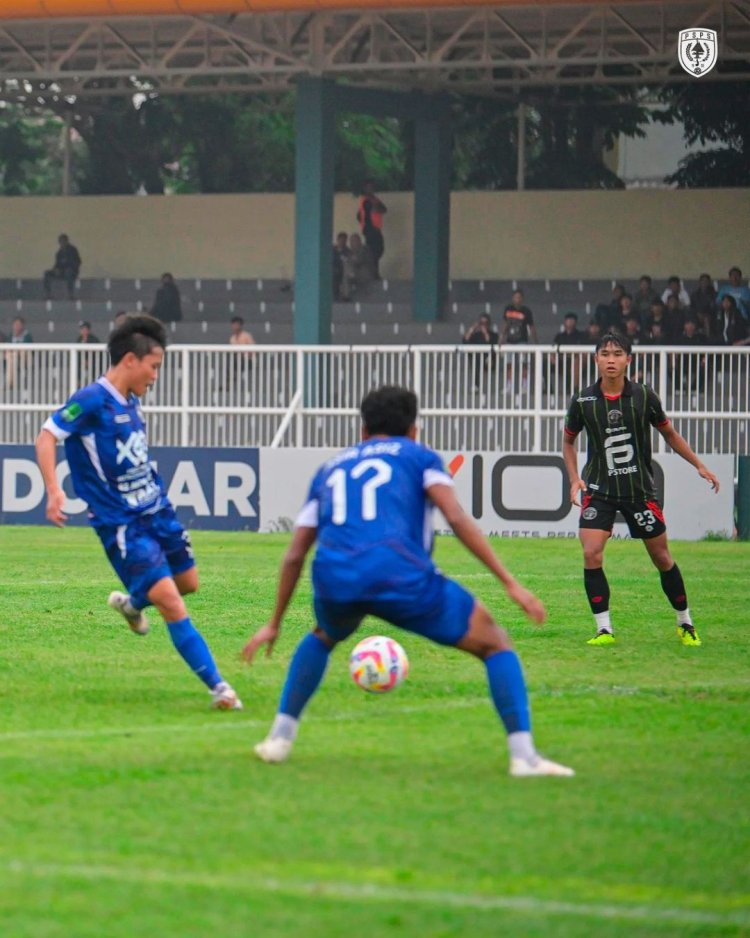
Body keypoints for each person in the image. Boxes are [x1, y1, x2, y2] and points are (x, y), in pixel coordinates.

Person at [242, 385, 573, 777]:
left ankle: (279, 739)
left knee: (323, 636)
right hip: (400, 576)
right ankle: (525, 757)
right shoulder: (419, 457)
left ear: (363, 430)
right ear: (414, 429)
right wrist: (509, 583)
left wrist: (274, 623)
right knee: (495, 643)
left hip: (337, 579)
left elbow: (296, 553)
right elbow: (455, 516)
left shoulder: (330, 468)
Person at [35, 314, 242, 710]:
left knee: (188, 584)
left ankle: (131, 605)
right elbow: (47, 436)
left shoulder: (131, 401)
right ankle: (220, 688)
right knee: (171, 602)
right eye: (154, 366)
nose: (156, 375)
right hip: (121, 523)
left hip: (157, 509)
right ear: (130, 359)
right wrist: (54, 489)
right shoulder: (91, 400)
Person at [562, 332, 720, 647]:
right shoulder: (583, 400)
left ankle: (685, 622)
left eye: (617, 354)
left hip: (639, 492)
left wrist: (698, 464)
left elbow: (670, 434)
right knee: (591, 553)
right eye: (605, 353)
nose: (611, 359)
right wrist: (573, 478)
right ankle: (604, 629)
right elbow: (568, 440)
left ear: (628, 359)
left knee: (661, 556)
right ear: (596, 359)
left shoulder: (644, 396)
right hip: (599, 489)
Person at [356, 180, 387, 278]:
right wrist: (368, 226)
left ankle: (374, 273)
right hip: (370, 229)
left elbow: (384, 209)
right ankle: (374, 274)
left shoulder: (374, 199)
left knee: (377, 250)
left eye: (372, 187)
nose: (371, 189)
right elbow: (377, 210)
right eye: (368, 187)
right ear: (365, 189)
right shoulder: (366, 201)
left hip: (375, 229)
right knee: (373, 252)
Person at [463, 313, 498, 391]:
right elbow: (465, 341)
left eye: (485, 323)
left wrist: (485, 333)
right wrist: (472, 328)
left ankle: (477, 384)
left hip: (489, 359)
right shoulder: (476, 335)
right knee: (475, 358)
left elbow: (490, 343)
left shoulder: (494, 335)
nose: (483, 325)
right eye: (481, 323)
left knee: (482, 359)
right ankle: (476, 385)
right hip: (477, 359)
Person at [43, 233, 81, 300]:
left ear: (67, 241)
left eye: (63, 241)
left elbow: (78, 262)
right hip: (61, 272)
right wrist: (56, 269)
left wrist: (68, 266)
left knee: (68, 272)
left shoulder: (73, 250)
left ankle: (70, 295)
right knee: (47, 273)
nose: (61, 243)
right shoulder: (59, 253)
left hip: (72, 272)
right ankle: (48, 294)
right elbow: (56, 264)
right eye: (60, 241)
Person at [5, 316, 32, 390]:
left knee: (17, 354)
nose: (16, 327)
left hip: (25, 357)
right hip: (13, 357)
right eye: (15, 325)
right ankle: (10, 383)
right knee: (11, 358)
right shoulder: (11, 336)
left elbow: (28, 347)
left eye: (18, 325)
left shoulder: (27, 336)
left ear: (22, 326)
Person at [332, 232, 350, 301]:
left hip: (343, 271)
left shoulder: (348, 251)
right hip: (332, 271)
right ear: (337, 240)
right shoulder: (331, 250)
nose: (342, 242)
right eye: (341, 240)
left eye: (344, 240)